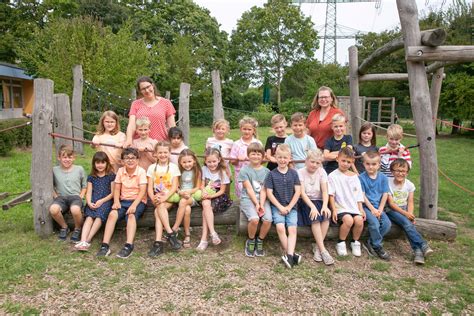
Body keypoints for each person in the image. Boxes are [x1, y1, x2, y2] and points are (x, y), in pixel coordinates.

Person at [96, 148, 147, 258]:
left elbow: (142, 191)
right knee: (112, 214)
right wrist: (116, 201)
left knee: (131, 215)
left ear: (137, 160)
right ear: (123, 161)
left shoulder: (141, 172)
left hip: (137, 201)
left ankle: (129, 245)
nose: (130, 160)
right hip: (123, 200)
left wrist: (134, 205)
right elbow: (117, 188)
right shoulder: (120, 171)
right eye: (127, 158)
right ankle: (105, 245)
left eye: (133, 158)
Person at [386, 159, 433, 265]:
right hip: (391, 209)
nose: (400, 173)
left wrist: (410, 215)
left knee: (407, 224)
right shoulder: (388, 182)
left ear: (407, 172)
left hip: (404, 209)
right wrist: (406, 214)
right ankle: (423, 244)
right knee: (407, 223)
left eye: (403, 171)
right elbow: (392, 204)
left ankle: (418, 252)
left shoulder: (409, 185)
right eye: (397, 170)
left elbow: (410, 202)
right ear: (392, 171)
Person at [264, 144, 302, 268]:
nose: (282, 160)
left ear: (289, 158)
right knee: (280, 227)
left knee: (292, 229)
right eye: (279, 157)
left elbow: (298, 192)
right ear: (275, 157)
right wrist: (280, 207)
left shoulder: (294, 173)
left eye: (285, 158)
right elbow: (269, 193)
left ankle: (289, 255)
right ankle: (291, 255)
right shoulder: (271, 174)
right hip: (277, 206)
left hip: (292, 207)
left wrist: (290, 207)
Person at [297, 149, 334, 265]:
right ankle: (323, 250)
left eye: (317, 163)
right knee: (316, 219)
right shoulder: (300, 172)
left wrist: (325, 206)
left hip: (319, 200)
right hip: (306, 201)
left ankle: (317, 247)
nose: (314, 165)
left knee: (326, 216)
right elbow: (302, 193)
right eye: (312, 162)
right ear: (306, 161)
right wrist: (312, 207)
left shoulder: (322, 172)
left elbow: (324, 191)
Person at [328, 147, 365, 257]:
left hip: (353, 206)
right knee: (348, 220)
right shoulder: (332, 176)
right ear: (337, 159)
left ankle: (355, 241)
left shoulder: (354, 177)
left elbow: (358, 195)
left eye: (348, 162)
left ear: (352, 162)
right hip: (340, 206)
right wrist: (334, 209)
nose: (345, 164)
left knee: (359, 220)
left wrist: (361, 209)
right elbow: (331, 194)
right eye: (343, 160)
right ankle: (341, 242)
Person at [147, 141, 182, 257]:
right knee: (158, 210)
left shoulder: (173, 167)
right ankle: (169, 235)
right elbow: (149, 188)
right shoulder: (152, 168)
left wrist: (165, 198)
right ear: (155, 154)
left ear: (169, 153)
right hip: (157, 198)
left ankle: (159, 243)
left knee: (159, 208)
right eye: (160, 152)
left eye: (165, 152)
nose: (163, 155)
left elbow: (174, 187)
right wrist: (153, 199)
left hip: (169, 197)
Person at [75, 152, 115, 251]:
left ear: (107, 163)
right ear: (94, 164)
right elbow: (88, 192)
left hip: (106, 201)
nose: (100, 165)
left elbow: (113, 193)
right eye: (97, 163)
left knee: (98, 217)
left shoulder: (111, 176)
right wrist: (88, 202)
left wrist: (102, 201)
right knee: (89, 217)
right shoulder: (91, 177)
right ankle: (83, 240)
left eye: (102, 162)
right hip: (93, 200)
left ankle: (88, 240)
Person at [238, 143, 272, 257]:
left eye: (258, 154)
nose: (256, 156)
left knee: (267, 220)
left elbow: (263, 190)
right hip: (248, 198)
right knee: (254, 219)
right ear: (248, 155)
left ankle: (260, 240)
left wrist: (261, 204)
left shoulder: (267, 172)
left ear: (262, 156)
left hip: (262, 199)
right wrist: (256, 204)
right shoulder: (244, 170)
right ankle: (251, 239)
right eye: (253, 154)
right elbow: (249, 189)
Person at [197, 148, 233, 251]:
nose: (212, 164)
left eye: (214, 161)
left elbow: (222, 191)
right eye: (209, 162)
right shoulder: (204, 169)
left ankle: (204, 239)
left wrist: (210, 196)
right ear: (205, 161)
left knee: (205, 208)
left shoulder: (222, 172)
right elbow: (201, 184)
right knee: (205, 204)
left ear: (219, 160)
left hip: (219, 197)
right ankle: (213, 233)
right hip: (207, 196)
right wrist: (203, 191)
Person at [124, 76, 176, 146]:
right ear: (140, 91)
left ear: (153, 85)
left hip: (161, 145)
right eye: (143, 89)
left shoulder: (166, 103)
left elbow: (172, 126)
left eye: (148, 87)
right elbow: (132, 124)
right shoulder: (135, 104)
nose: (147, 90)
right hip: (140, 145)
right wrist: (129, 139)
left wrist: (174, 142)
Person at [49, 145, 87, 242]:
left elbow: (84, 185)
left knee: (75, 209)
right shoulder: (54, 170)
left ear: (74, 158)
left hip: (75, 197)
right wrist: (55, 195)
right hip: (61, 197)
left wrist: (81, 196)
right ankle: (64, 227)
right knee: (53, 209)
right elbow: (50, 185)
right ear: (59, 158)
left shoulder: (79, 169)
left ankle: (78, 228)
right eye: (64, 157)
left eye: (70, 157)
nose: (67, 160)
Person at [359, 151, 392, 260]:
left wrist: (380, 209)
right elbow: (363, 196)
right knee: (374, 223)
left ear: (379, 165)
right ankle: (377, 246)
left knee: (387, 224)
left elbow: (385, 194)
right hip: (366, 207)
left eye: (373, 164)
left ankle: (370, 241)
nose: (370, 167)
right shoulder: (361, 178)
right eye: (368, 164)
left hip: (379, 207)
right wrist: (373, 209)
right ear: (363, 164)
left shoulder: (383, 177)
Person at [172, 149, 202, 248]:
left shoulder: (196, 171)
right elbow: (176, 186)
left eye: (189, 161)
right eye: (184, 162)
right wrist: (180, 192)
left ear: (194, 161)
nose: (187, 164)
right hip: (181, 195)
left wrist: (188, 193)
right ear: (180, 162)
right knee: (187, 210)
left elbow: (197, 187)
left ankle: (175, 228)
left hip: (192, 196)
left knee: (184, 202)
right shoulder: (178, 171)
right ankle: (187, 235)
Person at [230, 116, 262, 197]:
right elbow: (232, 162)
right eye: (244, 129)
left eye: (249, 129)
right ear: (241, 129)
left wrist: (255, 158)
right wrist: (237, 159)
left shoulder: (258, 143)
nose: (247, 131)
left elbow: (263, 160)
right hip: (241, 175)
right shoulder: (236, 144)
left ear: (253, 130)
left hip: (255, 173)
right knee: (243, 195)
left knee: (256, 194)